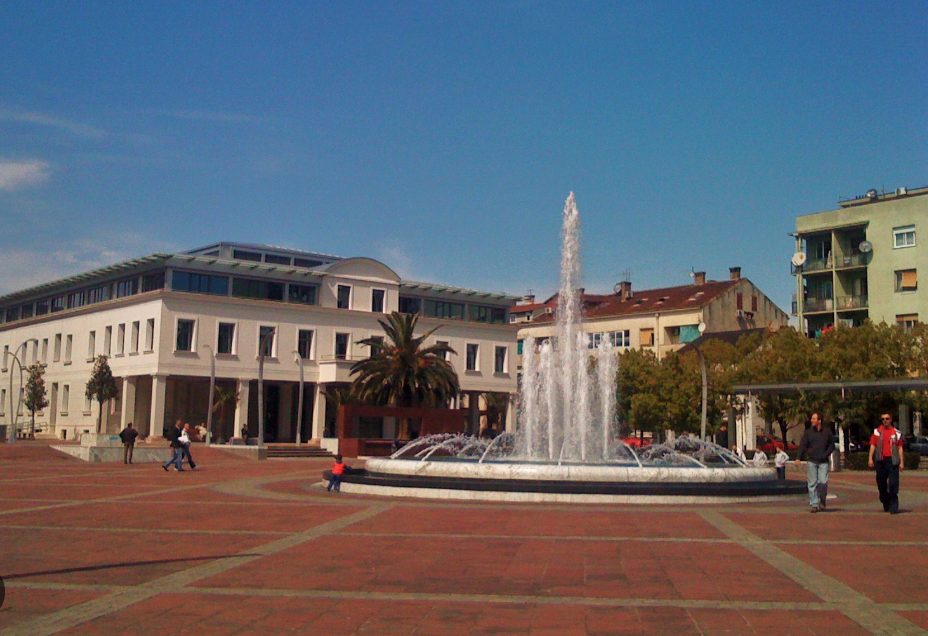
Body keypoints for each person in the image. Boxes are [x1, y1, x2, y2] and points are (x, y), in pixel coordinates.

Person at [797, 412, 835, 512]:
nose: (811, 420)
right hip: (812, 461)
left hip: (823, 462)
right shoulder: (808, 432)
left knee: (823, 482)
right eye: (812, 419)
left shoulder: (827, 432)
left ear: (819, 421)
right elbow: (803, 445)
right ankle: (814, 504)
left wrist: (825, 454)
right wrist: (798, 457)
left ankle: (822, 501)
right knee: (812, 483)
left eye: (814, 419)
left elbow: (832, 445)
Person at [868, 412, 905, 514]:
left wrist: (902, 462)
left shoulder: (896, 433)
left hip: (892, 461)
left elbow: (900, 448)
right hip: (880, 461)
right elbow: (873, 445)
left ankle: (894, 506)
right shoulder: (877, 432)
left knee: (893, 484)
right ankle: (885, 500)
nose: (885, 421)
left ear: (891, 420)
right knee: (881, 484)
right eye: (883, 419)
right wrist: (870, 458)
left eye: (887, 418)